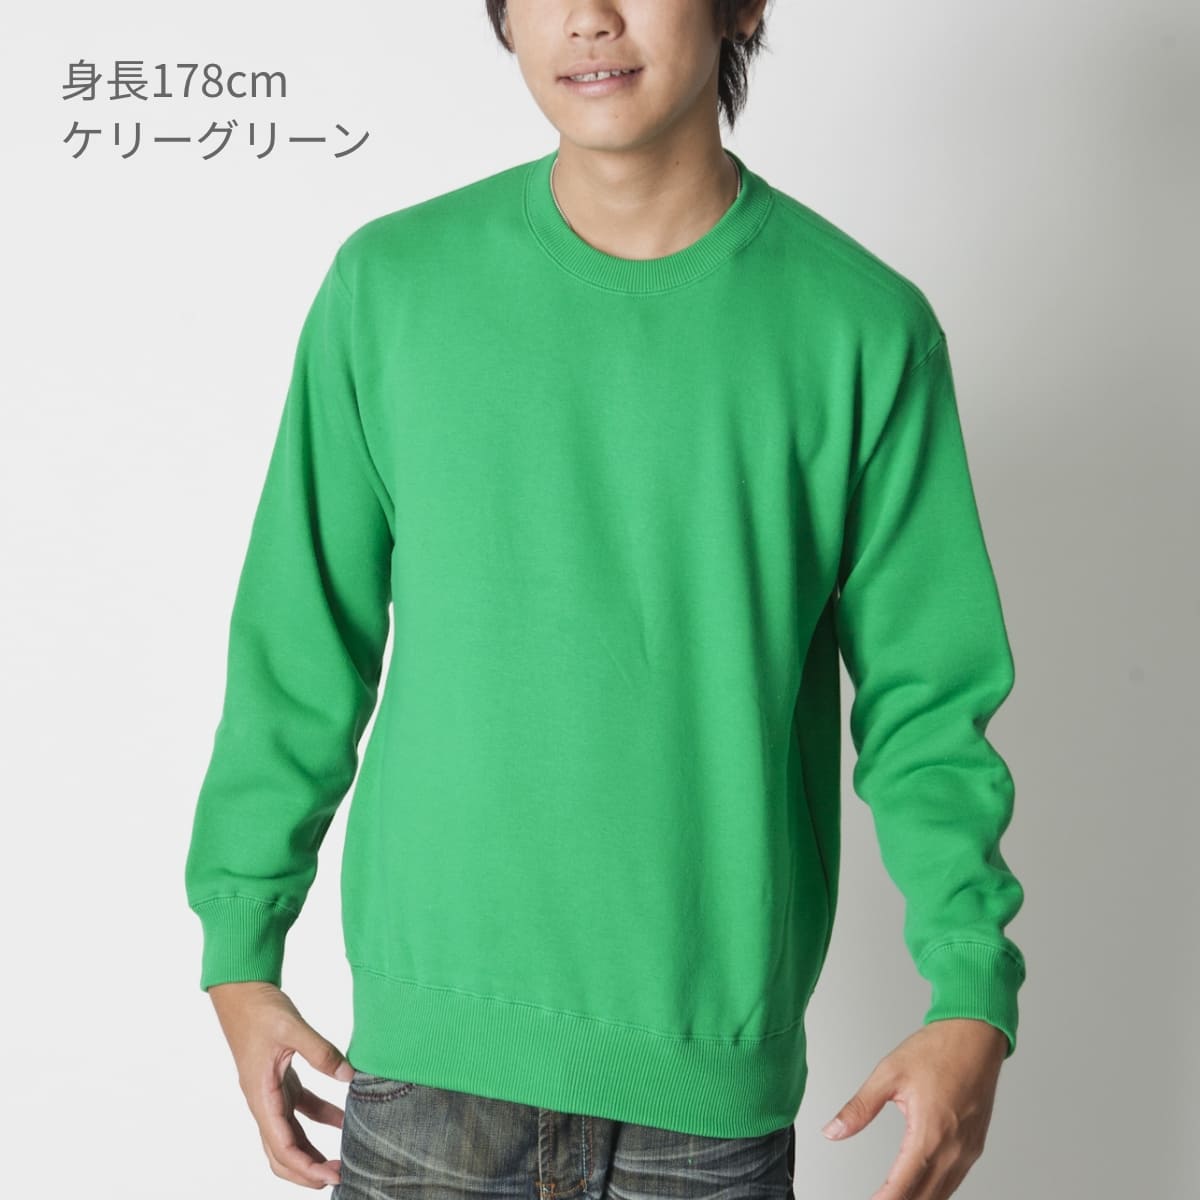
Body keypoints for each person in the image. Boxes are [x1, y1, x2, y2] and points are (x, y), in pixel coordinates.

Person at [184, 1, 1027, 1197]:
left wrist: (971, 990)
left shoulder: (862, 327)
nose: (588, 18)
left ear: (744, 5)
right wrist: (240, 945)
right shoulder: (393, 287)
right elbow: (299, 641)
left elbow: (928, 703)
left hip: (705, 1094)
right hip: (428, 1069)